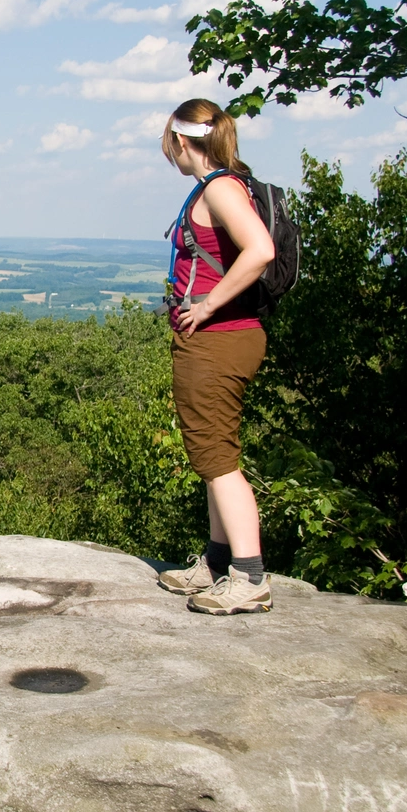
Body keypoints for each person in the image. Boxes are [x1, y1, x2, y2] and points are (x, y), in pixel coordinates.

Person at [153, 98, 277, 614]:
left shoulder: (221, 188)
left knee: (218, 459)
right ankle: (216, 562)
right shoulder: (226, 184)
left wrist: (206, 305)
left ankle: (248, 578)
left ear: (182, 140)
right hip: (222, 338)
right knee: (212, 453)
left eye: (170, 145)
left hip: (218, 339)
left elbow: (261, 250)